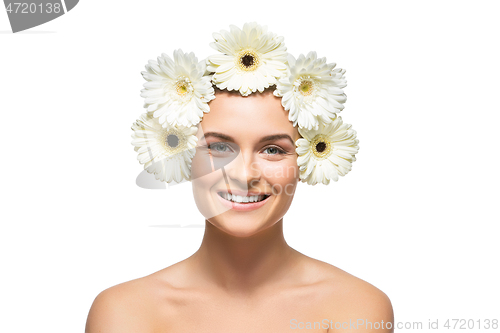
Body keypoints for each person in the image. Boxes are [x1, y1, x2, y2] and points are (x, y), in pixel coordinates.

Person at [85, 23, 394, 333]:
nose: (245, 174)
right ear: (184, 155)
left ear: (306, 158)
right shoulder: (124, 313)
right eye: (219, 147)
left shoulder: (355, 308)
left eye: (272, 150)